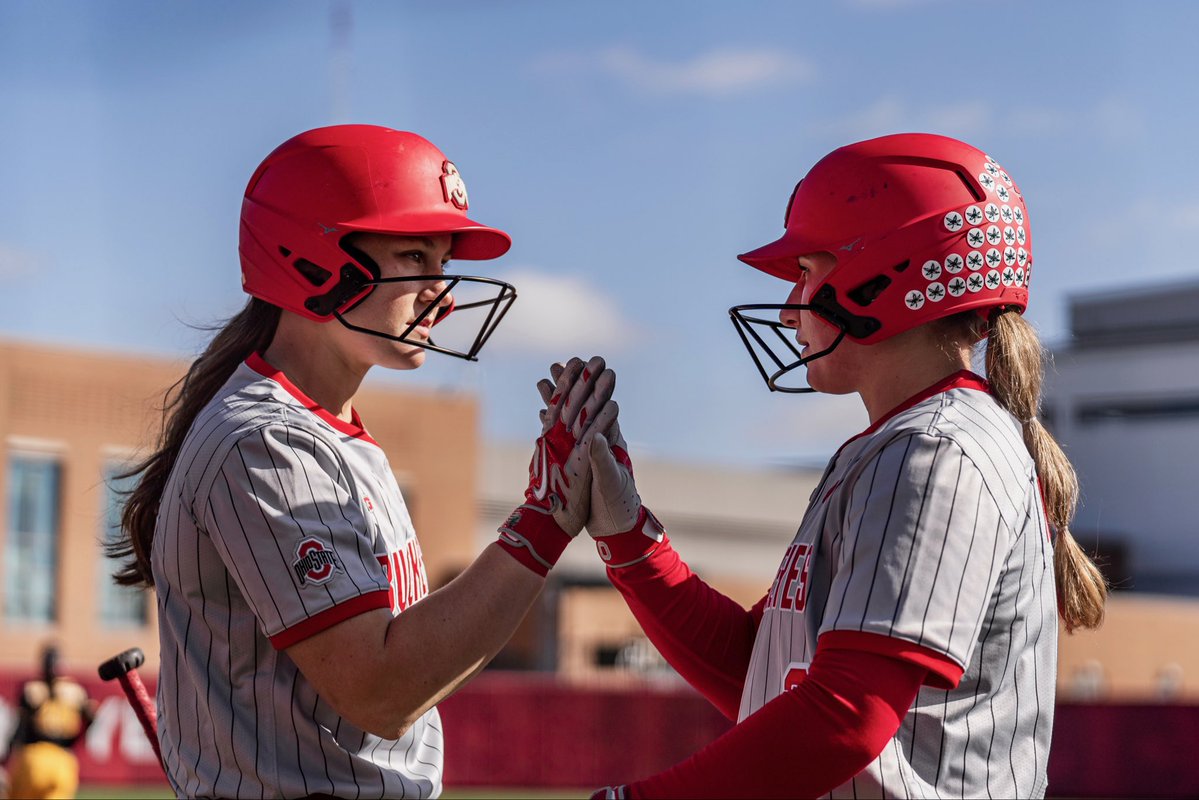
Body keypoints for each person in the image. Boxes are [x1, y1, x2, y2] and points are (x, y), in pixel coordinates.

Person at [570, 133, 1108, 798]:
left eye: (807, 269)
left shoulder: (937, 450)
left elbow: (846, 718)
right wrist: (627, 540)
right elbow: (763, 673)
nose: (793, 304)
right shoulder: (893, 445)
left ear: (884, 276)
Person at [108, 124, 612, 799]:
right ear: (311, 260)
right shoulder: (261, 441)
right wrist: (543, 523)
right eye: (414, 256)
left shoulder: (332, 433)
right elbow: (379, 690)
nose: (446, 292)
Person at [5, 644, 96, 800]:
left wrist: (6, 760)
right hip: (63, 761)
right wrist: (75, 741)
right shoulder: (76, 691)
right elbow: (92, 718)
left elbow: (20, 727)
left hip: (32, 758)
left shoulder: (31, 688)